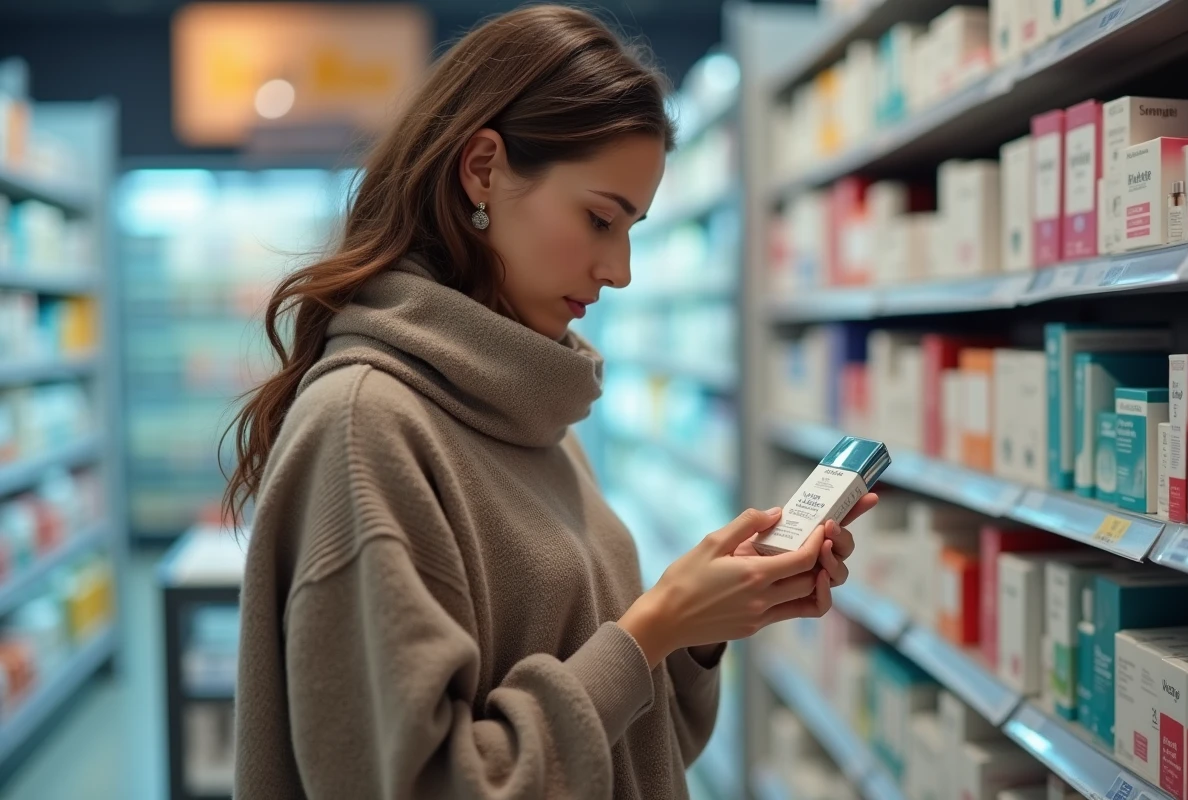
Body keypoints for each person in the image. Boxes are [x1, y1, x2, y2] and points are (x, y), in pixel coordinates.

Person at [225, 6, 877, 799]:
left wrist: (698, 631)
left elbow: (634, 750)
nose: (621, 269)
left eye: (632, 227)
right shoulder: (366, 428)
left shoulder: (533, 409)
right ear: (483, 169)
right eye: (600, 218)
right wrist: (650, 629)